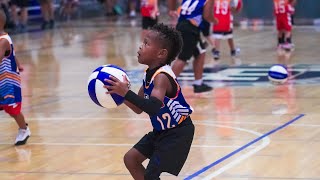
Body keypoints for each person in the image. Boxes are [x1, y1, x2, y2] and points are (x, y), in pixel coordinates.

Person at [104, 23, 195, 179]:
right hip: (161, 131)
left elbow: (153, 107)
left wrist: (126, 92)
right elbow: (138, 107)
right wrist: (119, 95)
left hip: (177, 134)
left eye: (146, 43)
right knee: (131, 159)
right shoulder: (149, 74)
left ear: (161, 53)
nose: (140, 47)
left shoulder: (161, 77)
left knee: (152, 175)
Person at [168, 0, 217, 93]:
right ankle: (166, 86)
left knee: (200, 51)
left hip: (183, 26)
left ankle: (198, 84)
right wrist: (215, 20)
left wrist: (172, 9)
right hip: (190, 29)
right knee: (183, 58)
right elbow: (207, 16)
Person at [0, 10, 30, 145]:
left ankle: (24, 129)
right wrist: (18, 64)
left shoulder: (3, 41)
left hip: (9, 83)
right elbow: (13, 53)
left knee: (12, 110)